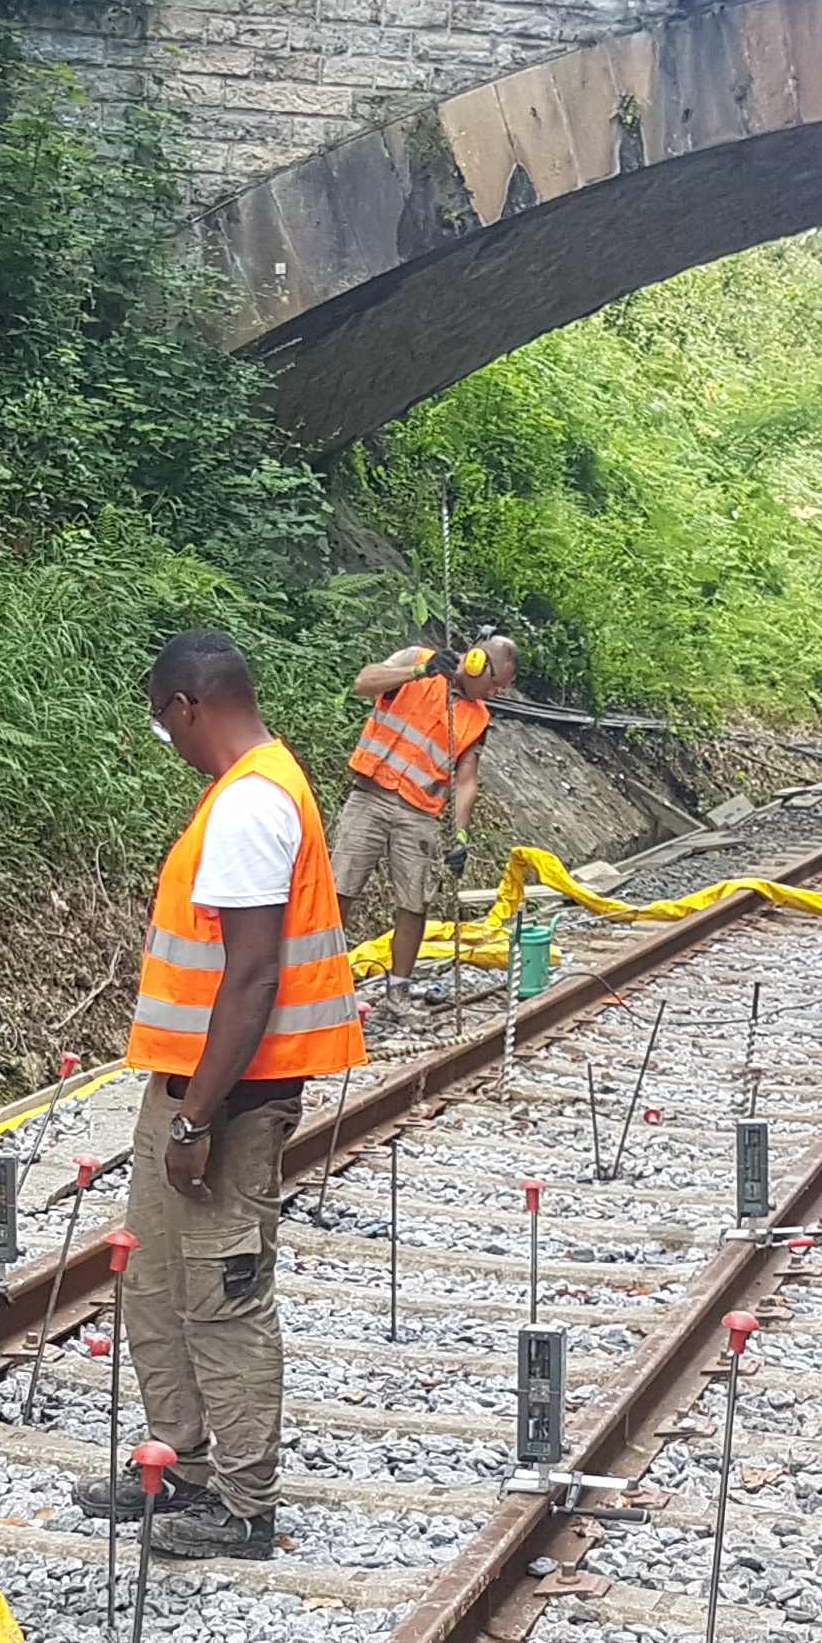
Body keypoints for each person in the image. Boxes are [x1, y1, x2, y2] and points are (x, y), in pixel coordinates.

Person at [88, 632, 366, 1559]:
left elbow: (251, 981)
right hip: (189, 1089)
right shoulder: (248, 791)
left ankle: (244, 1506)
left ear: (184, 709)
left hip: (229, 1101)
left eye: (162, 721)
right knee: (159, 1292)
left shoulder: (250, 806)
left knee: (223, 1298)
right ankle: (182, 1467)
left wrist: (198, 1118)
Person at [333, 632, 513, 1008]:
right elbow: (364, 682)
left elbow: (466, 780)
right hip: (370, 795)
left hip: (420, 814)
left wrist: (461, 834)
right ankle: (320, 977)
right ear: (477, 662)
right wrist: (419, 670)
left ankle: (398, 990)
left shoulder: (477, 718)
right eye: (494, 685)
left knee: (415, 903)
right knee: (339, 889)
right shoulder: (420, 659)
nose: (494, 694)